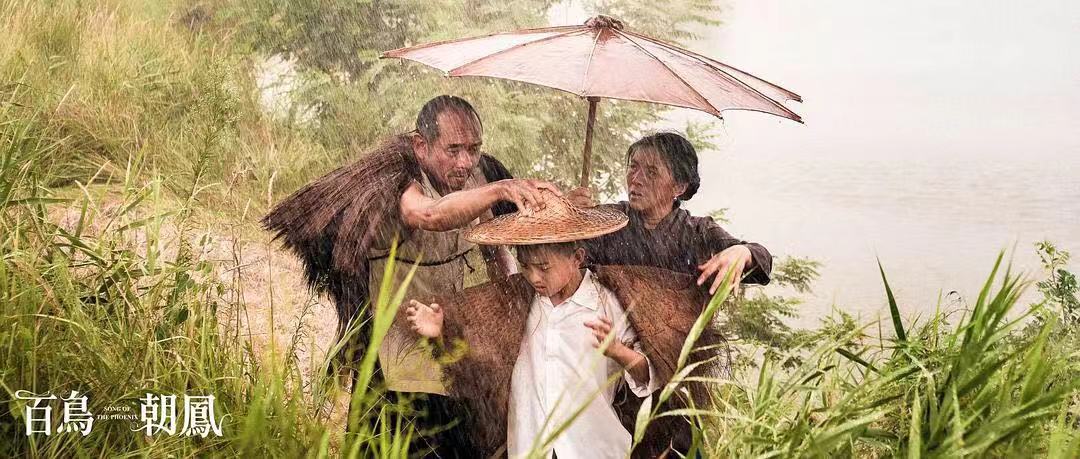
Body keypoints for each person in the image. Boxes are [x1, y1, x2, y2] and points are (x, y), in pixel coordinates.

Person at [262, 95, 558, 455]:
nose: (465, 162)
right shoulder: (398, 182)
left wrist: (562, 209)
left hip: (446, 342)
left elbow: (501, 239)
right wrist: (500, 189)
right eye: (453, 150)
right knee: (389, 446)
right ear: (421, 146)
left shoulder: (482, 175)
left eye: (473, 149)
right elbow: (429, 215)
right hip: (395, 356)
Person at [401, 192, 725, 458]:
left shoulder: (608, 303)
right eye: (526, 266)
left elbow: (648, 376)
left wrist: (617, 351)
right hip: (530, 445)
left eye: (544, 267)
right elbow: (481, 359)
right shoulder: (515, 302)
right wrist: (441, 331)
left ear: (577, 257)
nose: (534, 277)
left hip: (593, 447)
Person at [569, 131, 773, 294]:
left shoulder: (698, 231)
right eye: (633, 167)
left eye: (652, 172)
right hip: (604, 329)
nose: (636, 179)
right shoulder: (609, 220)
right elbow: (567, 263)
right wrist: (566, 213)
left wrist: (742, 252)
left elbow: (761, 258)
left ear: (679, 187)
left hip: (678, 334)